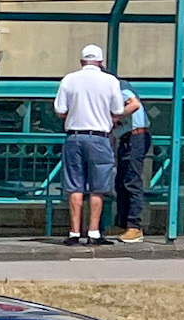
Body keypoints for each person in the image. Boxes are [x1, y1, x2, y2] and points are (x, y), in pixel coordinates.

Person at [53, 44, 125, 247]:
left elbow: (59, 109)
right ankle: (93, 233)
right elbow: (118, 109)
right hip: (100, 137)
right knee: (98, 188)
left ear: (81, 61)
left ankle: (74, 232)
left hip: (74, 136)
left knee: (75, 186)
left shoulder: (69, 79)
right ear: (101, 62)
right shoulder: (110, 81)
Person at [113, 93, 152, 241]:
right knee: (121, 182)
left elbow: (134, 104)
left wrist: (115, 116)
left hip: (136, 137)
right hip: (125, 137)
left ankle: (134, 226)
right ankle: (123, 223)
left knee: (132, 181)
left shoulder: (119, 90)